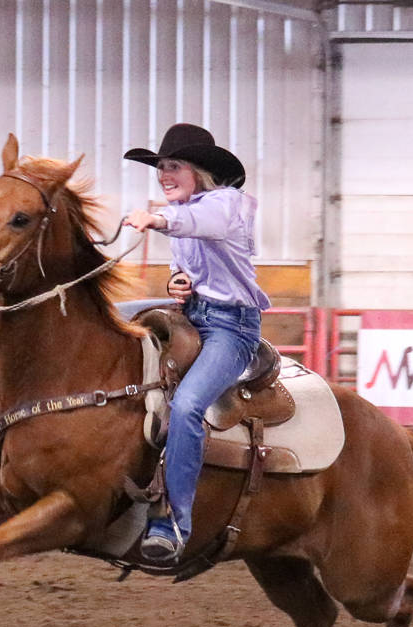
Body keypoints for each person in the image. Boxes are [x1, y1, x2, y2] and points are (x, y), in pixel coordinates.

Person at [122, 123, 267, 563]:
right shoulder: (187, 209)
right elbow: (190, 259)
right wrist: (179, 282)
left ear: (199, 171)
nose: (165, 175)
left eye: (174, 166)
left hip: (231, 327)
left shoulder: (225, 204)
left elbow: (196, 224)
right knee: (112, 319)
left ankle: (174, 524)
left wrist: (156, 220)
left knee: (187, 406)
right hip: (194, 315)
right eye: (161, 168)